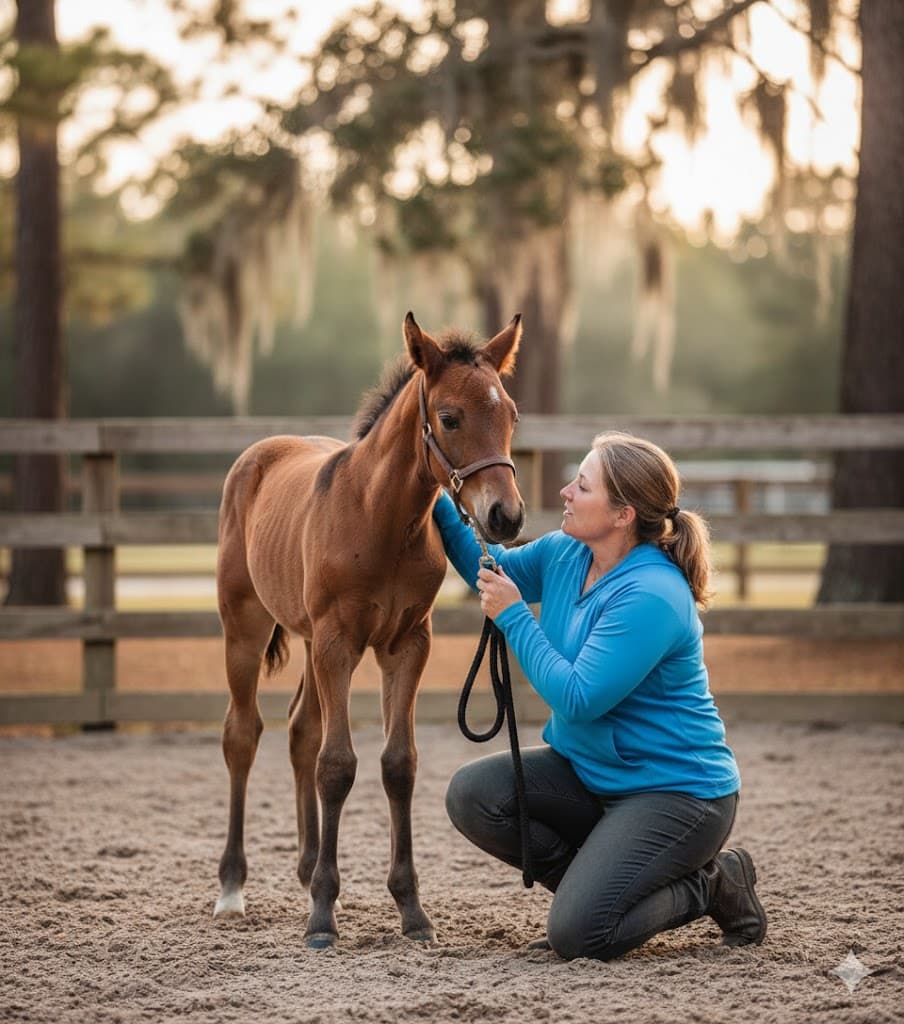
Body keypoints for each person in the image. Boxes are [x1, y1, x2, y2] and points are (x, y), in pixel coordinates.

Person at [434, 431, 767, 960]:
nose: (566, 492)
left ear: (622, 515)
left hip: (678, 795)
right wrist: (436, 490)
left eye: (582, 486)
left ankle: (713, 884)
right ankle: (597, 892)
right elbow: (487, 562)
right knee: (474, 795)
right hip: (593, 777)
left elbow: (579, 697)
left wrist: (516, 617)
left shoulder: (653, 595)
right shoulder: (568, 553)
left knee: (580, 936)